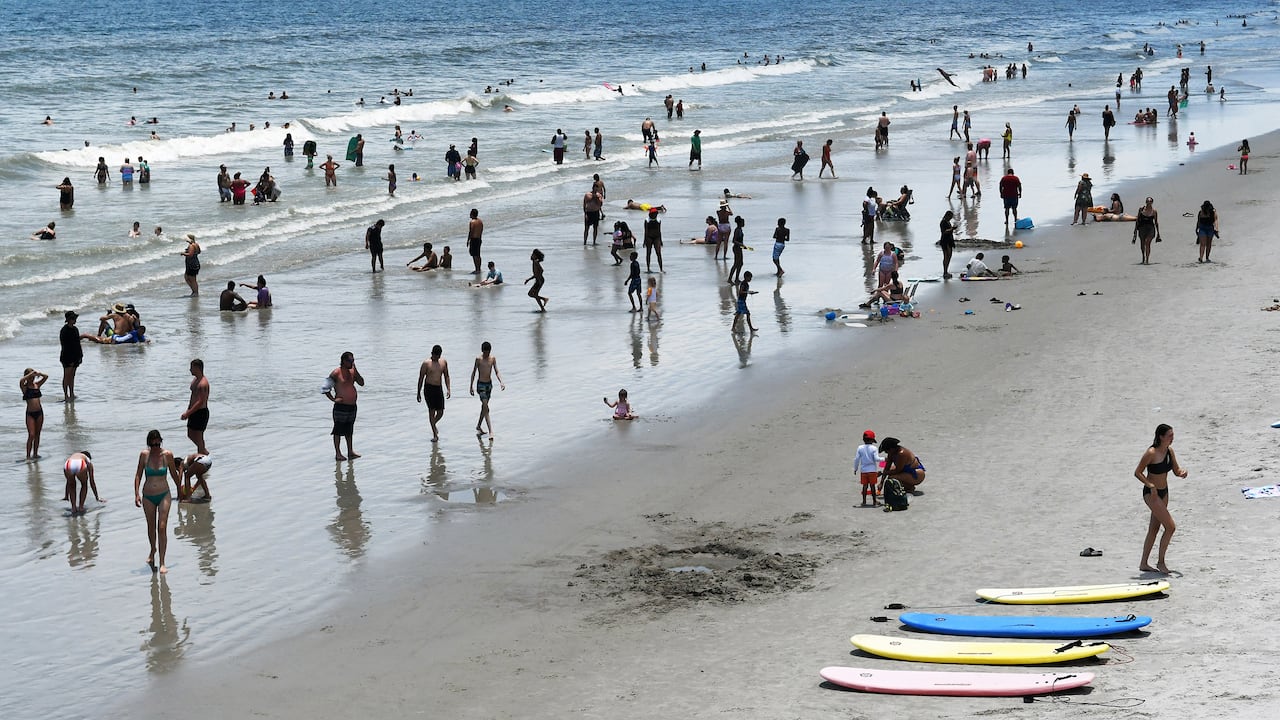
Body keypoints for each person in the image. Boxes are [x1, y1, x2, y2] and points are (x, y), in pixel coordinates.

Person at [1135, 424, 1186, 574]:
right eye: (1169, 435)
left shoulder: (1169, 451)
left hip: (1164, 492)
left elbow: (1176, 471)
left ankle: (1143, 563)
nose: (1172, 438)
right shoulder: (1151, 453)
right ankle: (1161, 562)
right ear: (1161, 437)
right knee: (1170, 527)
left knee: (1154, 528)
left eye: (1173, 435)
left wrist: (1182, 473)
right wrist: (1150, 484)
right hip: (1152, 494)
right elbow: (1138, 472)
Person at [134, 429, 180, 573]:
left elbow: (173, 474)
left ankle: (162, 562)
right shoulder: (144, 455)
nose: (155, 447)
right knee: (151, 526)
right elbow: (138, 475)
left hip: (163, 494)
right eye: (152, 445)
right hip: (147, 495)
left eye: (157, 444)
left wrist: (181, 491)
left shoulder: (167, 455)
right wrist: (136, 494)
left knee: (161, 527)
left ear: (160, 441)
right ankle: (152, 550)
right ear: (149, 444)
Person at [323, 351, 363, 461]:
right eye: (350, 361)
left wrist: (356, 370)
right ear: (343, 361)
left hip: (352, 407)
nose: (352, 362)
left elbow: (362, 383)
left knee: (349, 430)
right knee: (338, 430)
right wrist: (333, 399)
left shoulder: (352, 371)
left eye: (353, 360)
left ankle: (350, 451)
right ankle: (338, 453)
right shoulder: (336, 373)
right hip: (340, 407)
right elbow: (325, 388)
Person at [469, 341, 506, 437]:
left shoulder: (492, 359)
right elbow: (473, 372)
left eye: (488, 352)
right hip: (481, 385)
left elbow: (497, 371)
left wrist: (501, 382)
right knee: (486, 406)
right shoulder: (478, 359)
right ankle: (491, 431)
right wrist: (471, 386)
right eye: (485, 352)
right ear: (482, 351)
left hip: (489, 385)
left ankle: (478, 426)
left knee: (484, 407)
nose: (486, 354)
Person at [416, 344, 451, 443]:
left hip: (438, 388)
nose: (437, 357)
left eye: (438, 356)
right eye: (435, 355)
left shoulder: (443, 362)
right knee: (432, 412)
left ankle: (433, 425)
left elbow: (446, 376)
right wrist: (418, 392)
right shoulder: (426, 363)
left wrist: (448, 389)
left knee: (440, 412)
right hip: (429, 389)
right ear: (432, 354)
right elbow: (421, 378)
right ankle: (435, 435)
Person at [179, 359, 211, 455]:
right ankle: (203, 450)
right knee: (190, 434)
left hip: (201, 412)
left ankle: (202, 454)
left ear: (197, 368)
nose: (190, 370)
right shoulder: (195, 380)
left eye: (192, 367)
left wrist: (188, 413)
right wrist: (188, 410)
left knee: (198, 436)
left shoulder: (203, 383)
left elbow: (201, 401)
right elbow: (193, 397)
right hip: (193, 411)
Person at [20, 368, 48, 460]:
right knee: (31, 434)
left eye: (33, 377)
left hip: (39, 412)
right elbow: (21, 380)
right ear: (27, 376)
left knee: (37, 434)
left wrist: (39, 373)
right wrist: (30, 374)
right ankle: (28, 456)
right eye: (30, 377)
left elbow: (46, 377)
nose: (32, 379)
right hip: (30, 413)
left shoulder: (37, 385)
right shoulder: (24, 387)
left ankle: (35, 454)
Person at [1132, 197, 1161, 265]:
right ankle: (1143, 257)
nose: (1149, 203)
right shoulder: (1141, 209)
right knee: (1142, 243)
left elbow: (1156, 222)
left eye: (1150, 201)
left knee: (1147, 243)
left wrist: (1158, 233)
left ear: (1152, 202)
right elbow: (1137, 219)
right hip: (1142, 228)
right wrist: (1135, 230)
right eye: (1147, 201)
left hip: (1150, 228)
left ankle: (1147, 259)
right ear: (1146, 202)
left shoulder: (1154, 211)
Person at [855, 430, 880, 507]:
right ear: (872, 440)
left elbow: (856, 459)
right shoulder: (874, 448)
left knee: (865, 486)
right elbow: (876, 459)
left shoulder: (860, 448)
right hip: (872, 470)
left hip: (863, 470)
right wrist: (884, 459)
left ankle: (864, 501)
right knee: (872, 486)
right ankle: (874, 501)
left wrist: (855, 469)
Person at [643, 208, 664, 272]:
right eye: (654, 214)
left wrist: (661, 240)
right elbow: (646, 231)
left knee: (658, 253)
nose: (655, 215)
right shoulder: (647, 220)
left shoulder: (658, 220)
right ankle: (648, 268)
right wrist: (644, 241)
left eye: (656, 213)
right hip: (649, 237)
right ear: (650, 214)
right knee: (648, 253)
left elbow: (659, 230)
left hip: (657, 238)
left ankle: (661, 269)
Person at [728, 216, 747, 285]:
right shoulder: (737, 230)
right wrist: (741, 244)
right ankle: (730, 279)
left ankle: (736, 279)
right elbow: (734, 240)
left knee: (740, 263)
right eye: (743, 222)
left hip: (739, 248)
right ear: (740, 223)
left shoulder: (740, 229)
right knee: (736, 264)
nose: (744, 223)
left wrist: (742, 245)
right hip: (736, 248)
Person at [938, 210, 957, 279]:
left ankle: (946, 271)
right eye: (950, 217)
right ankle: (945, 272)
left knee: (949, 256)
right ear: (947, 215)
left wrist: (952, 229)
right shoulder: (943, 222)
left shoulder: (947, 222)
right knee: (946, 256)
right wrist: (952, 228)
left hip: (949, 240)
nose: (951, 218)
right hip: (945, 241)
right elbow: (944, 231)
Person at [467, 208, 483, 274]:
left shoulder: (472, 222)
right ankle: (479, 268)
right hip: (479, 239)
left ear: (472, 214)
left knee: (474, 255)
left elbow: (471, 231)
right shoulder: (480, 221)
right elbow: (481, 231)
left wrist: (468, 240)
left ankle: (477, 269)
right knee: (478, 254)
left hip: (474, 239)